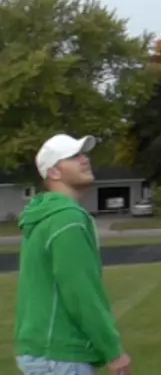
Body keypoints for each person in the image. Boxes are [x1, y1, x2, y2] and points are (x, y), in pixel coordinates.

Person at [14, 133, 132, 375]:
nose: (84, 159)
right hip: (60, 355)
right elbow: (82, 292)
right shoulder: (67, 219)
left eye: (84, 154)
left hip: (40, 349)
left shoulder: (44, 215)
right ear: (54, 172)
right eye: (73, 156)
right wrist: (113, 351)